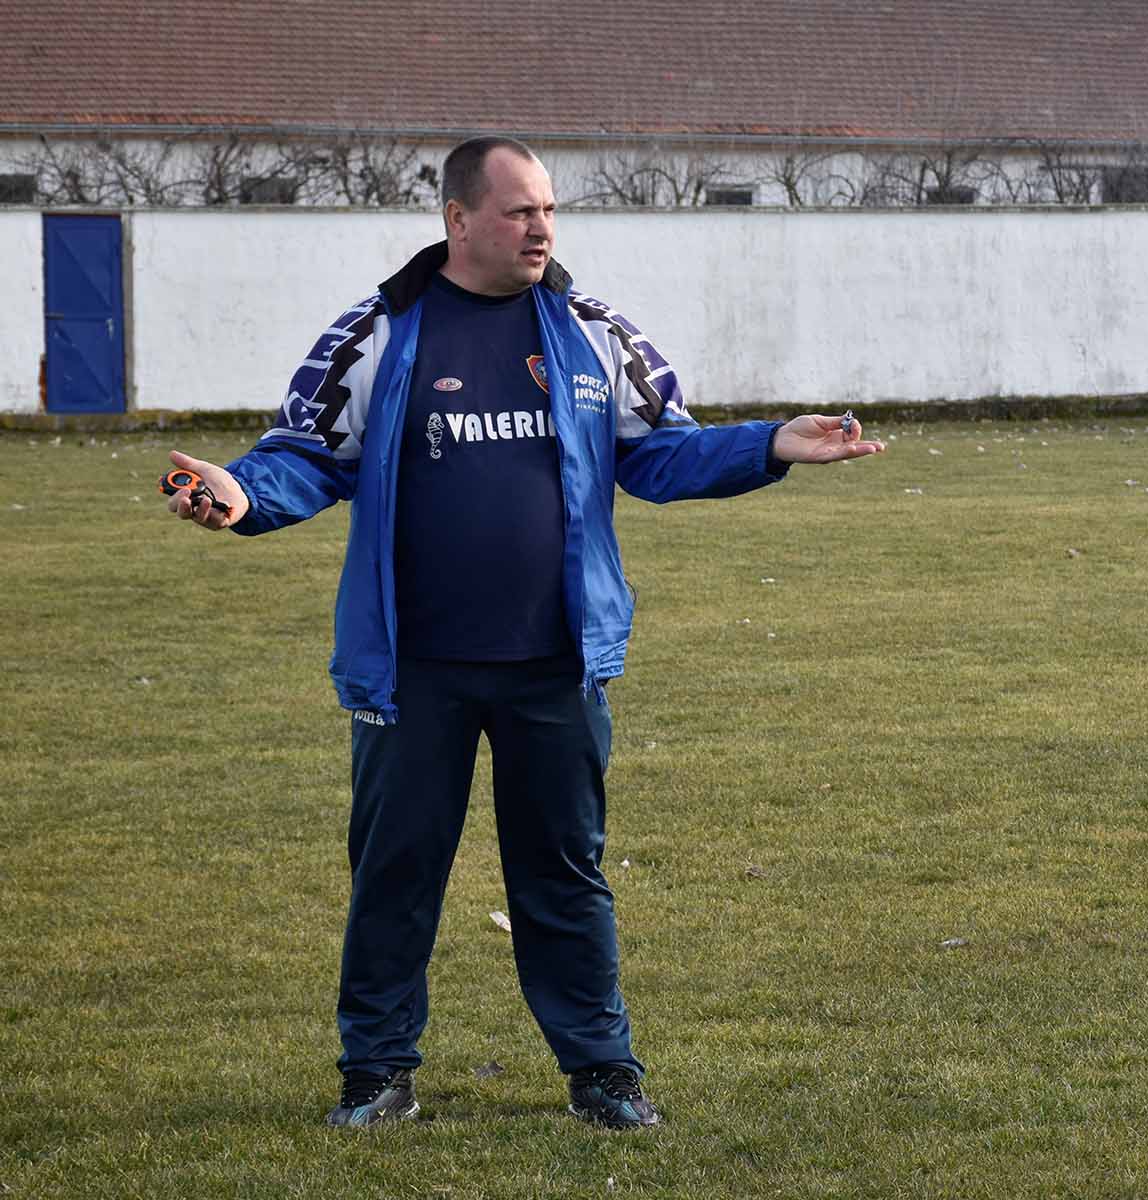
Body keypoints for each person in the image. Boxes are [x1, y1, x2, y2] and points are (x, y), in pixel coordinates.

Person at [163, 135, 885, 1129]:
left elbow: (660, 453)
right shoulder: (379, 331)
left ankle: (603, 1073)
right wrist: (242, 495)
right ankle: (376, 1074)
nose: (541, 228)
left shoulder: (591, 330)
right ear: (459, 220)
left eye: (548, 209)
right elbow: (306, 455)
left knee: (565, 876)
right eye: (519, 211)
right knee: (395, 875)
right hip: (413, 670)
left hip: (556, 664)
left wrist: (769, 445)